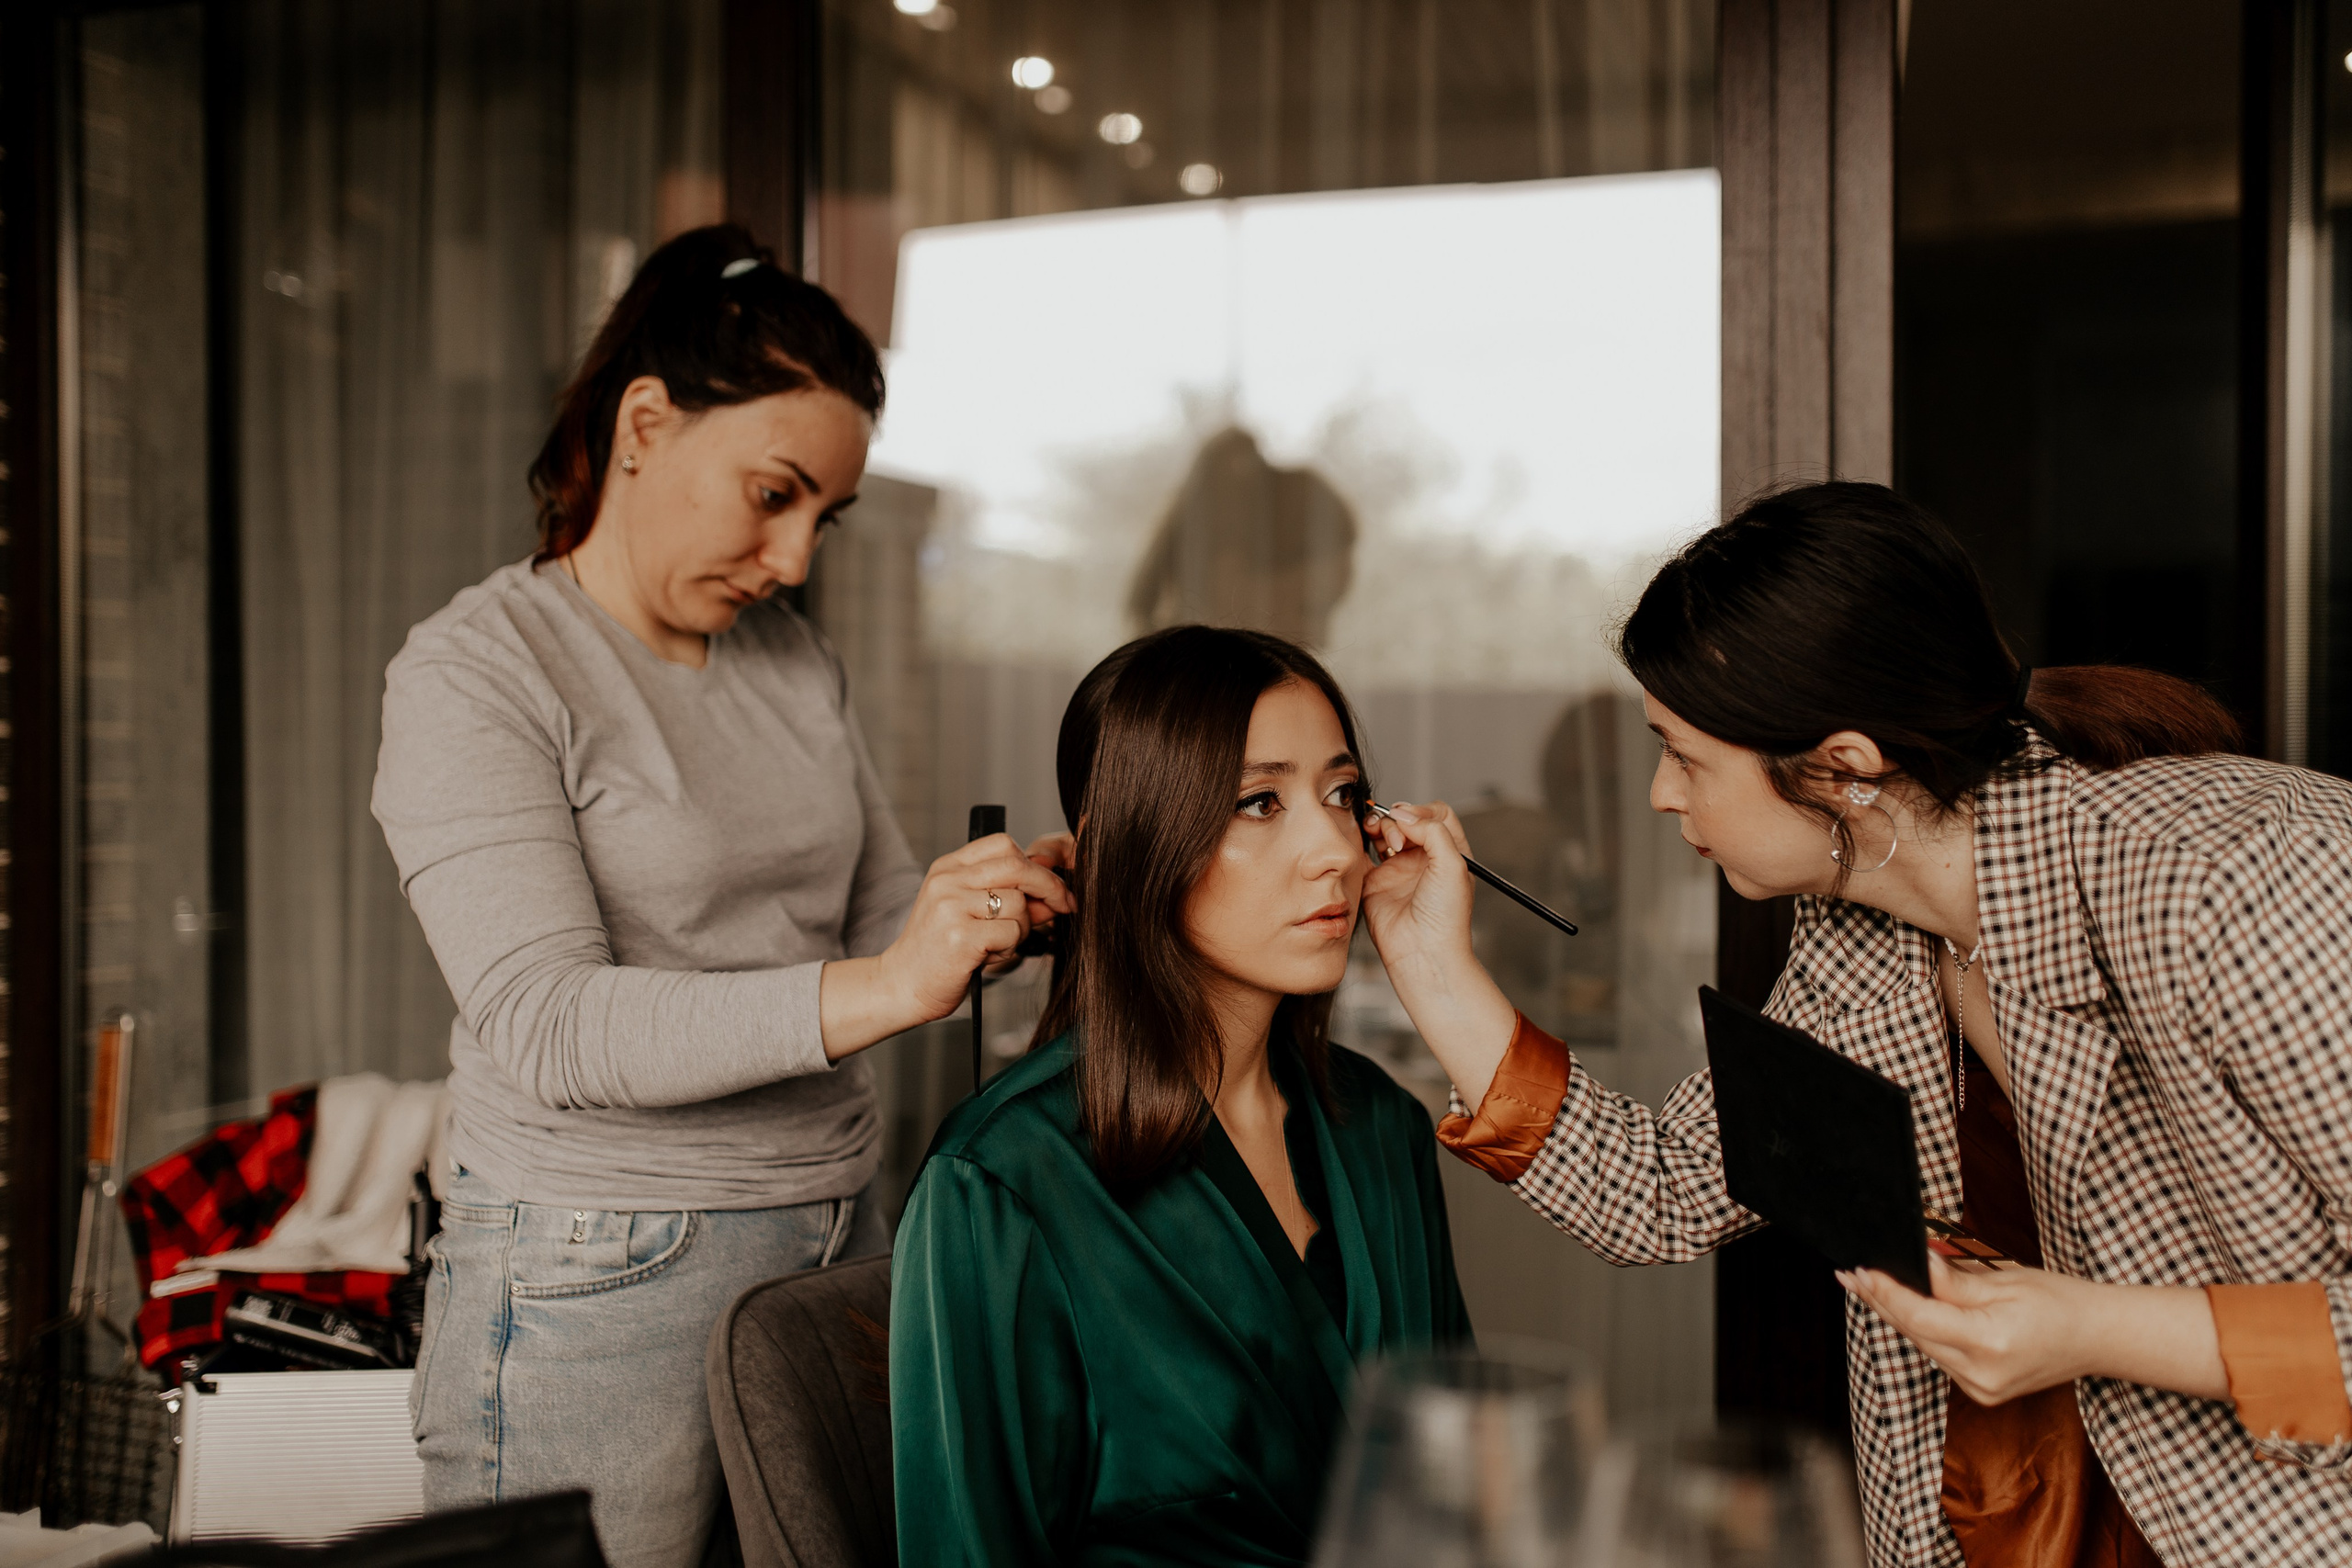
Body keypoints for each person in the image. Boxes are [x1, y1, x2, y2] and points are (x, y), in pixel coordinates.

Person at [1363, 481, 2352, 1567]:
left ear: (1844, 766)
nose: (1656, 794)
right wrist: (1428, 956)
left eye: (1684, 755)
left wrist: (2089, 1329)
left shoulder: (2243, 883)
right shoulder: (1860, 924)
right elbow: (1655, 1196)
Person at [371, 224, 1071, 1568]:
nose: (798, 558)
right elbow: (549, 1021)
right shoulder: (479, 672)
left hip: (833, 1232)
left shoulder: (791, 665)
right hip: (595, 1275)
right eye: (773, 493)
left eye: (825, 514)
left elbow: (878, 928)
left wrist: (999, 902)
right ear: (644, 425)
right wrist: (891, 978)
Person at [889, 626, 1472, 1567]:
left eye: (1342, 794)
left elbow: (1463, 1487)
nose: (1332, 850)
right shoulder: (1000, 1184)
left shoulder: (1383, 1128)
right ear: (1128, 847)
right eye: (1257, 803)